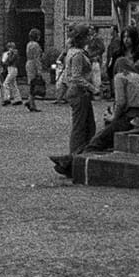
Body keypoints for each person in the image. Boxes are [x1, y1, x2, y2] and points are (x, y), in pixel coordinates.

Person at [49, 25, 99, 177]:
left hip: (78, 92)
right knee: (80, 128)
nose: (90, 39)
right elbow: (76, 76)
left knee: (89, 127)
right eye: (88, 36)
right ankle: (72, 161)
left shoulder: (72, 52)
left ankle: (79, 158)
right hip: (79, 92)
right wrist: (93, 88)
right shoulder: (77, 54)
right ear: (83, 38)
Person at [83, 56, 139, 153]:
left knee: (97, 141)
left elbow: (121, 102)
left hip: (132, 118)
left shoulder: (120, 76)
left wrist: (113, 117)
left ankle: (75, 163)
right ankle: (68, 160)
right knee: (103, 136)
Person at [23, 29, 44, 111]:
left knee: (32, 83)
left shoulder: (29, 44)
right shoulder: (36, 45)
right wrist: (39, 70)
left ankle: (30, 102)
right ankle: (31, 103)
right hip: (33, 65)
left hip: (28, 63)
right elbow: (37, 58)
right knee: (34, 84)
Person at [0, 41, 22, 106]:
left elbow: (10, 60)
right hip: (10, 69)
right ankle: (18, 99)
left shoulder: (14, 53)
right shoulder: (11, 53)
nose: (9, 48)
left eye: (10, 47)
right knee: (13, 84)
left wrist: (7, 58)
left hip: (12, 68)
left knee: (5, 83)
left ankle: (7, 98)